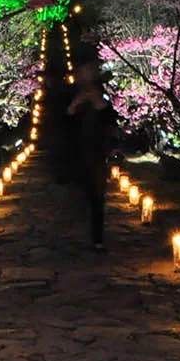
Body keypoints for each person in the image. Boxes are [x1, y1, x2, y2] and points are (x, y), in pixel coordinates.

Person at [67, 60, 114, 250]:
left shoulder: (101, 92)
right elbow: (63, 120)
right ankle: (76, 234)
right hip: (75, 152)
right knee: (78, 195)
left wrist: (98, 103)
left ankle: (97, 239)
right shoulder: (71, 92)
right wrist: (73, 106)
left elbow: (110, 118)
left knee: (97, 196)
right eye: (82, 72)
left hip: (96, 152)